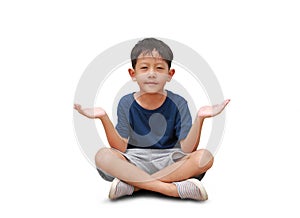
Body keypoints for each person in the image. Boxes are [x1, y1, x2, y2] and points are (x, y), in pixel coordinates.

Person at [74, 38, 230, 201]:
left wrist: (200, 118)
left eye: (159, 68)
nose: (152, 73)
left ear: (170, 75)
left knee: (205, 157)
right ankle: (172, 189)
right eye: (144, 68)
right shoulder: (126, 102)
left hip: (170, 161)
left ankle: (133, 186)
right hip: (134, 160)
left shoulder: (179, 102)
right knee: (103, 156)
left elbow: (187, 149)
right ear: (133, 74)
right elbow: (120, 146)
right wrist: (103, 117)